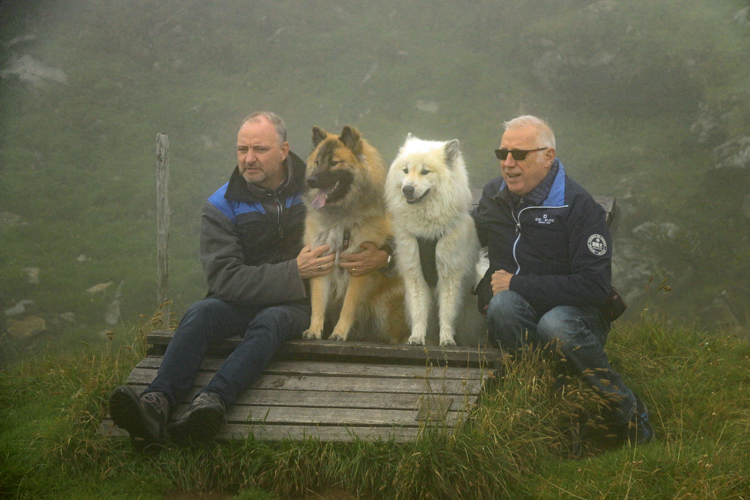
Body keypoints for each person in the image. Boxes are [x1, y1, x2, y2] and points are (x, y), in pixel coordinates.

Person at [109, 111, 391, 447]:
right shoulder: (220, 205)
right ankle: (156, 402)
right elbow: (225, 279)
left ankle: (212, 402)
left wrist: (386, 258)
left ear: (284, 151)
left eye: (259, 149)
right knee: (200, 313)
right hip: (236, 300)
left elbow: (384, 224)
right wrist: (293, 271)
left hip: (296, 304)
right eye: (242, 149)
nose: (249, 158)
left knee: (269, 321)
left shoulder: (325, 186)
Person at [473, 115, 654, 451]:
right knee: (502, 306)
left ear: (548, 156)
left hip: (576, 316)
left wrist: (518, 284)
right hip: (518, 313)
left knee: (555, 323)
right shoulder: (492, 197)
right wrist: (387, 256)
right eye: (503, 154)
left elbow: (594, 287)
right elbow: (451, 237)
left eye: (520, 155)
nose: (508, 164)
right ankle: (553, 412)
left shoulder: (580, 207)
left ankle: (627, 411)